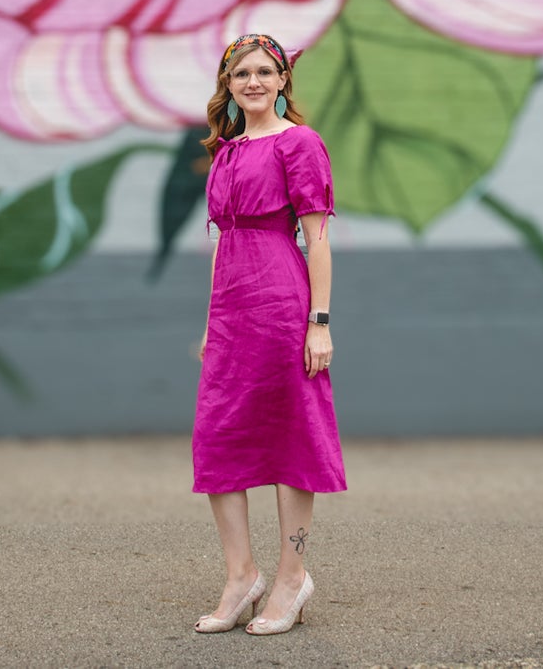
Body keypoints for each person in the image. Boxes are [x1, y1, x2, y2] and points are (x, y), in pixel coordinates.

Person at [190, 33, 345, 637]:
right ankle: (240, 575)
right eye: (240, 74)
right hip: (231, 312)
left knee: (290, 439)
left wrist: (320, 322)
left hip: (283, 305)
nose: (252, 82)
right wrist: (209, 322)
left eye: (264, 72)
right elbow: (220, 240)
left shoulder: (299, 144)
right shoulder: (225, 151)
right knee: (218, 438)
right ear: (228, 85)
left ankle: (291, 576)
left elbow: (318, 239)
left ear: (283, 80)